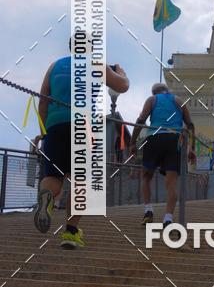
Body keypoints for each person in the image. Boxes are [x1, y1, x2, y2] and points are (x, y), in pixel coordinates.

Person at [32, 38, 130, 248]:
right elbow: (123, 86)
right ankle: (71, 232)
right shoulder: (95, 64)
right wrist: (120, 71)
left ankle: (47, 198)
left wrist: (44, 133)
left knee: (52, 176)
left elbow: (42, 100)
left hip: (55, 126)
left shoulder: (54, 66)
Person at [129, 83, 195, 227]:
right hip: (174, 140)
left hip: (155, 138)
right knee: (171, 183)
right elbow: (190, 125)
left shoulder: (152, 100)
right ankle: (168, 218)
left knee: (146, 176)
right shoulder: (178, 100)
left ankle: (148, 211)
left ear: (154, 92)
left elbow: (141, 120)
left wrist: (133, 142)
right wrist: (192, 148)